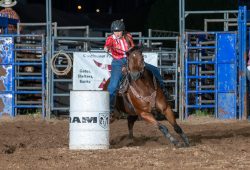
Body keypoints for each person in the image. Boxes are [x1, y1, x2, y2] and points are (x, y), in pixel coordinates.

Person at [104, 20, 165, 113]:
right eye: (115, 31)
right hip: (118, 62)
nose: (117, 33)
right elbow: (107, 46)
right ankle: (110, 108)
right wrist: (107, 48)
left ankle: (162, 86)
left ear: (123, 31)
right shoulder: (110, 39)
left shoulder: (128, 36)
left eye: (119, 31)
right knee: (112, 86)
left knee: (153, 69)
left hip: (131, 59)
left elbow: (132, 47)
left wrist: (132, 51)